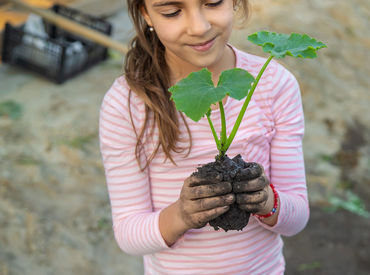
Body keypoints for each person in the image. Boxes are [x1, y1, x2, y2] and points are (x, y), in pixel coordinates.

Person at [99, 0, 309, 274]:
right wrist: (181, 215)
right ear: (146, 14)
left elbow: (298, 217)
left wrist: (267, 201)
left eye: (212, 2)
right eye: (172, 12)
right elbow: (129, 233)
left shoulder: (274, 84)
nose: (199, 27)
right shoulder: (126, 105)